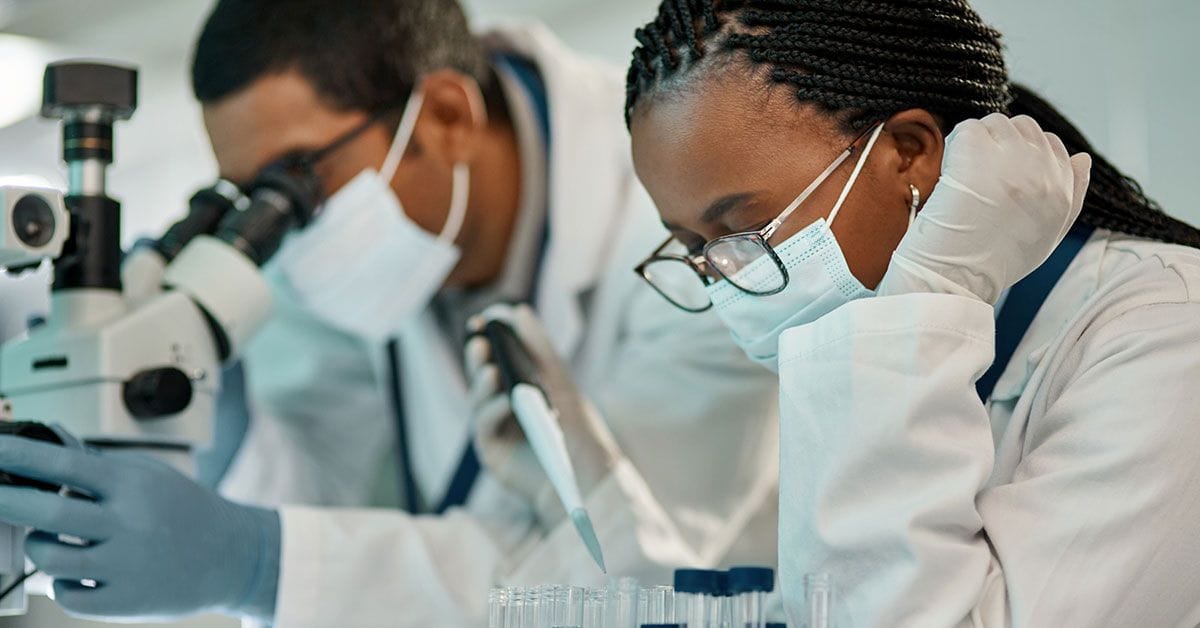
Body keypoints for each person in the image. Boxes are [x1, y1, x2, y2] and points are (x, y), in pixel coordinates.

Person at [0, 0, 780, 625]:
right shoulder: (357, 260)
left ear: (444, 117)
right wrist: (218, 427)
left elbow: (622, 570)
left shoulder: (693, 235)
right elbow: (323, 483)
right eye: (250, 199)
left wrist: (260, 562)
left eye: (294, 182)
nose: (283, 227)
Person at [623, 1, 1200, 626]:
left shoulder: (1166, 334)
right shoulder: (859, 349)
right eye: (694, 249)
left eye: (748, 228)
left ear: (907, 152)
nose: (727, 277)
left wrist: (925, 303)